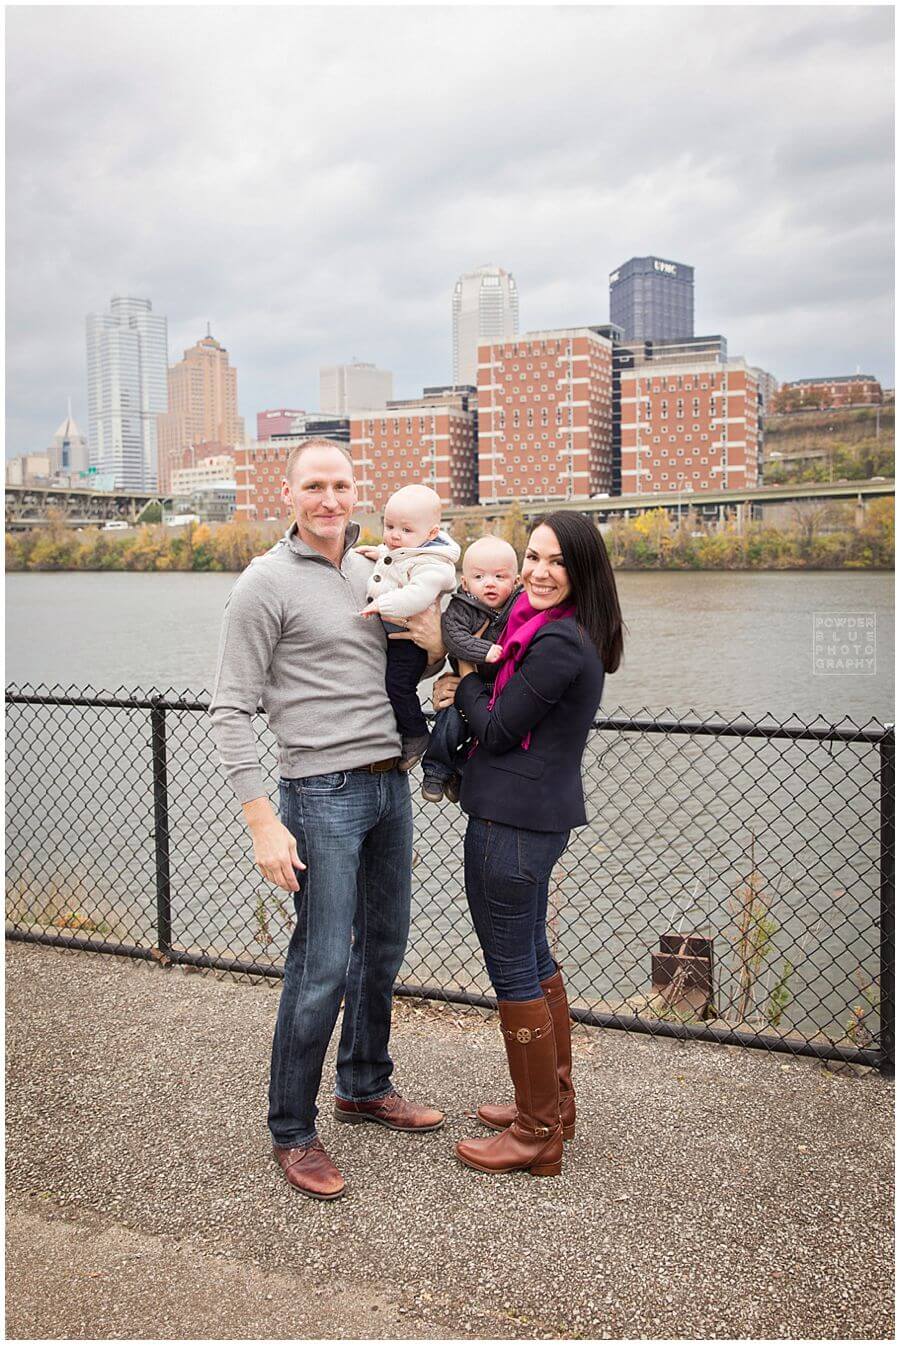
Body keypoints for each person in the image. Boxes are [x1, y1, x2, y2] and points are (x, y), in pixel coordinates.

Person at [209, 439, 446, 1202]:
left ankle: (364, 1084)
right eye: (314, 485)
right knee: (321, 965)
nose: (329, 499)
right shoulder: (264, 583)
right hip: (319, 793)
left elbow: (415, 655)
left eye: (341, 485)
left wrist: (444, 661)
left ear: (357, 493)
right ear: (291, 494)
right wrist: (260, 822)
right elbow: (230, 708)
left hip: (388, 785)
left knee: (382, 947)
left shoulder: (376, 567)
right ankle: (292, 1129)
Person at [431, 511, 624, 1178]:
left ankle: (537, 1129)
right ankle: (554, 1103)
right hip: (529, 816)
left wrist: (468, 678)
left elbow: (497, 729)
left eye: (555, 561)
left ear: (582, 571)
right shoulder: (549, 631)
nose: (538, 571)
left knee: (511, 965)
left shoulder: (557, 645)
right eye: (532, 557)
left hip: (511, 821)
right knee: (534, 955)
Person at [358, 484, 460, 770]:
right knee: (391, 683)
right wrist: (380, 553)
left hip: (412, 642)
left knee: (398, 686)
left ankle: (416, 734)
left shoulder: (435, 566)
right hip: (399, 637)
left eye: (404, 530)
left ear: (430, 534)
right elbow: (400, 560)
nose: (394, 535)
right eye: (389, 526)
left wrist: (382, 604)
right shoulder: (414, 550)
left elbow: (416, 595)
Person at [420, 535, 520, 804]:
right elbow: (453, 637)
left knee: (490, 738)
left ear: (516, 580)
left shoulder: (521, 608)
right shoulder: (462, 607)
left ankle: (460, 772)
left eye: (500, 576)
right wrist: (483, 651)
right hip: (467, 686)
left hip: (500, 689)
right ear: (465, 583)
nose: (490, 583)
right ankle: (435, 771)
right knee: (449, 721)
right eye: (479, 577)